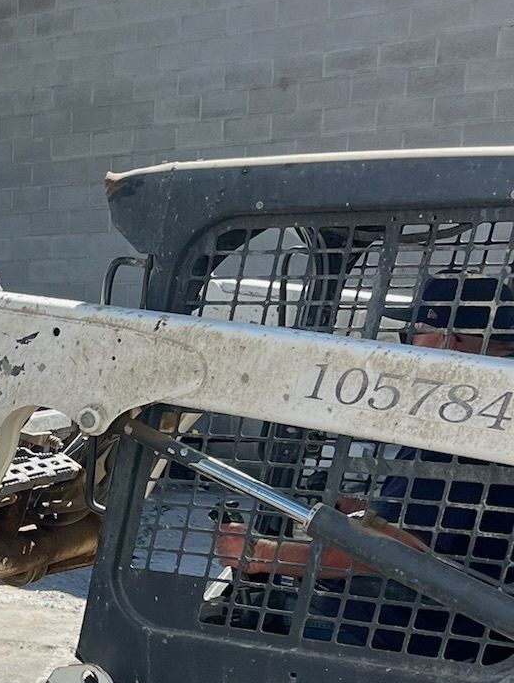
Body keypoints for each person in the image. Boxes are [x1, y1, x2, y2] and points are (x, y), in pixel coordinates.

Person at [209, 272, 514, 660]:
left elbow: (397, 558)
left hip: (419, 637)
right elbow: (426, 536)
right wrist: (361, 514)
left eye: (415, 333)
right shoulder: (482, 412)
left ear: (446, 339)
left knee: (221, 625)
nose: (410, 348)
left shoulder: (472, 437)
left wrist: (261, 553)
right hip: (448, 620)